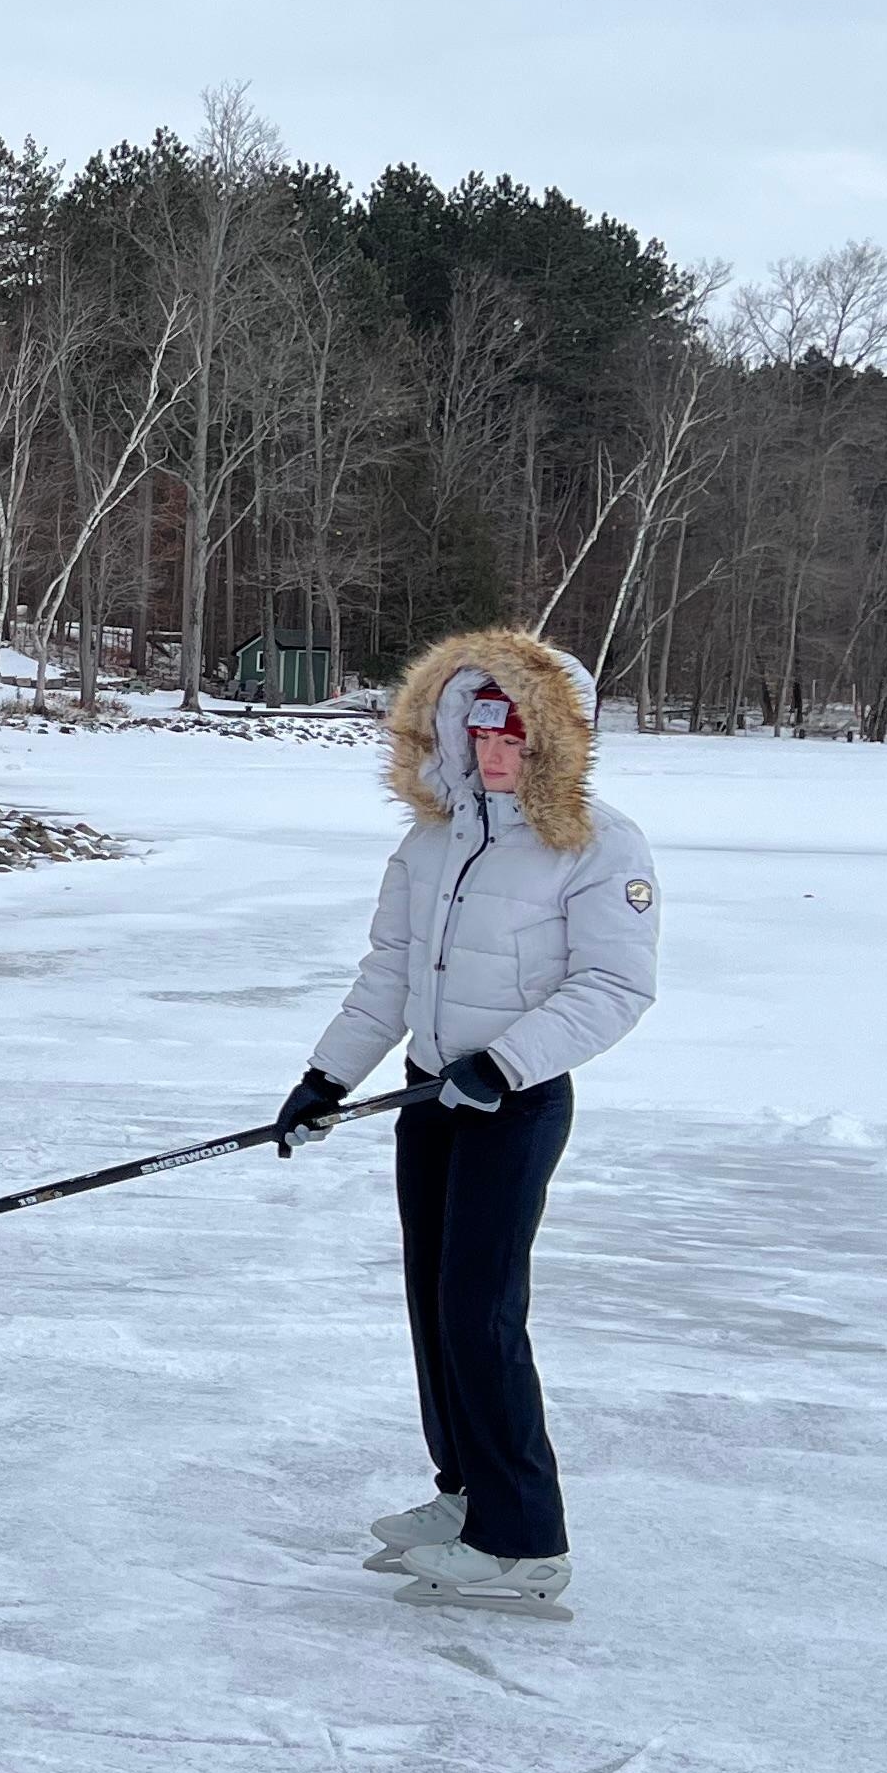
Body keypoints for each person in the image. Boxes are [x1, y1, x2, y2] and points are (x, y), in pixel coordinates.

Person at [272, 627, 656, 1613]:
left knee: (482, 1315)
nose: (496, 749)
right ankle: (466, 1494)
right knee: (434, 1306)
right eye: (480, 726)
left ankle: (524, 1538)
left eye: (518, 731)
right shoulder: (431, 842)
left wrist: (508, 1063)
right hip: (428, 1093)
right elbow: (391, 972)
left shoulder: (599, 842)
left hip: (513, 1102)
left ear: (557, 739)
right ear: (452, 729)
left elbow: (615, 986)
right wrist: (327, 1076)